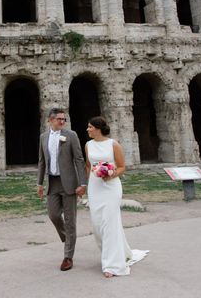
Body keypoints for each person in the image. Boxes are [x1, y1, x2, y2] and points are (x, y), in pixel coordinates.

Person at [85, 116, 148, 277]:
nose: (87, 129)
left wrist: (111, 174)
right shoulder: (88, 145)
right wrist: (87, 184)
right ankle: (115, 253)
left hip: (111, 187)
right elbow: (88, 166)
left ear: (98, 129)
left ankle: (112, 265)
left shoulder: (113, 144)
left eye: (90, 127)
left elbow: (121, 167)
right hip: (95, 187)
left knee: (109, 223)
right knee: (97, 224)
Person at [37, 108, 87, 271]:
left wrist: (83, 183)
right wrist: (39, 183)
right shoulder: (43, 137)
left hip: (69, 183)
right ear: (50, 120)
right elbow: (41, 162)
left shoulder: (71, 135)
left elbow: (79, 159)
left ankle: (68, 257)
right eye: (59, 119)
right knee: (53, 215)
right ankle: (69, 239)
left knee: (70, 220)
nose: (62, 122)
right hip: (52, 182)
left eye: (64, 119)